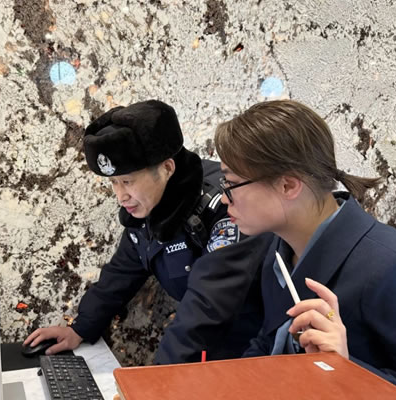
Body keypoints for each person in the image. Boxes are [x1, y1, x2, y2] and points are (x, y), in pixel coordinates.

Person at [24, 100, 273, 364]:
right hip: (201, 348)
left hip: (251, 353)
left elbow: (208, 303)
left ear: (167, 168)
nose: (121, 195)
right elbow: (122, 272)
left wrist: (159, 376)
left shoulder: (225, 207)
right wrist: (80, 328)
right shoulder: (150, 208)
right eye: (114, 182)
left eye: (127, 181)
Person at [213, 99, 396, 394]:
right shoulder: (280, 248)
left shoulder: (391, 265)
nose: (223, 198)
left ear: (288, 186)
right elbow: (270, 341)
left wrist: (345, 368)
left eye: (231, 184)